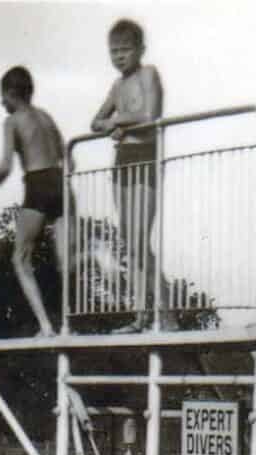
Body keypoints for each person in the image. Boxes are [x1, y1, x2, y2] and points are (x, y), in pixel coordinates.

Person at [0, 65, 69, 336]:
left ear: (10, 93)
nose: (0, 102)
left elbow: (6, 165)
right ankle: (69, 324)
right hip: (61, 182)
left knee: (20, 258)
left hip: (38, 183)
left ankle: (46, 326)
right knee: (65, 261)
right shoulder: (46, 117)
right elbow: (67, 155)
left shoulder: (13, 120)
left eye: (2, 96)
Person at [91, 17, 163, 329]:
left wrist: (117, 123)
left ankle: (165, 312)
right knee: (128, 242)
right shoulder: (117, 86)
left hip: (145, 155)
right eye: (113, 51)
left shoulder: (148, 74)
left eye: (124, 50)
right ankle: (140, 315)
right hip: (122, 159)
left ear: (140, 49)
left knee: (139, 239)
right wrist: (112, 124)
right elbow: (95, 122)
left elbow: (150, 114)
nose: (119, 56)